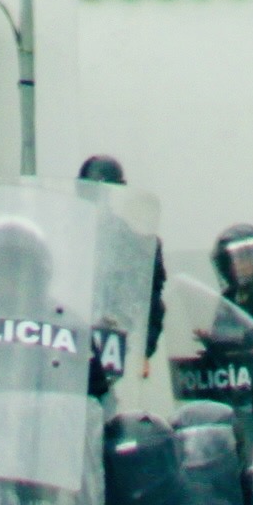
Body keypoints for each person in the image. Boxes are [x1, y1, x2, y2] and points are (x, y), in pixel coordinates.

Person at [77, 153, 167, 370]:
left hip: (112, 343)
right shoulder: (65, 234)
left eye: (102, 191)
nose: (98, 198)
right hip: (70, 338)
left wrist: (143, 349)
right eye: (90, 191)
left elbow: (150, 301)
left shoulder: (136, 242)